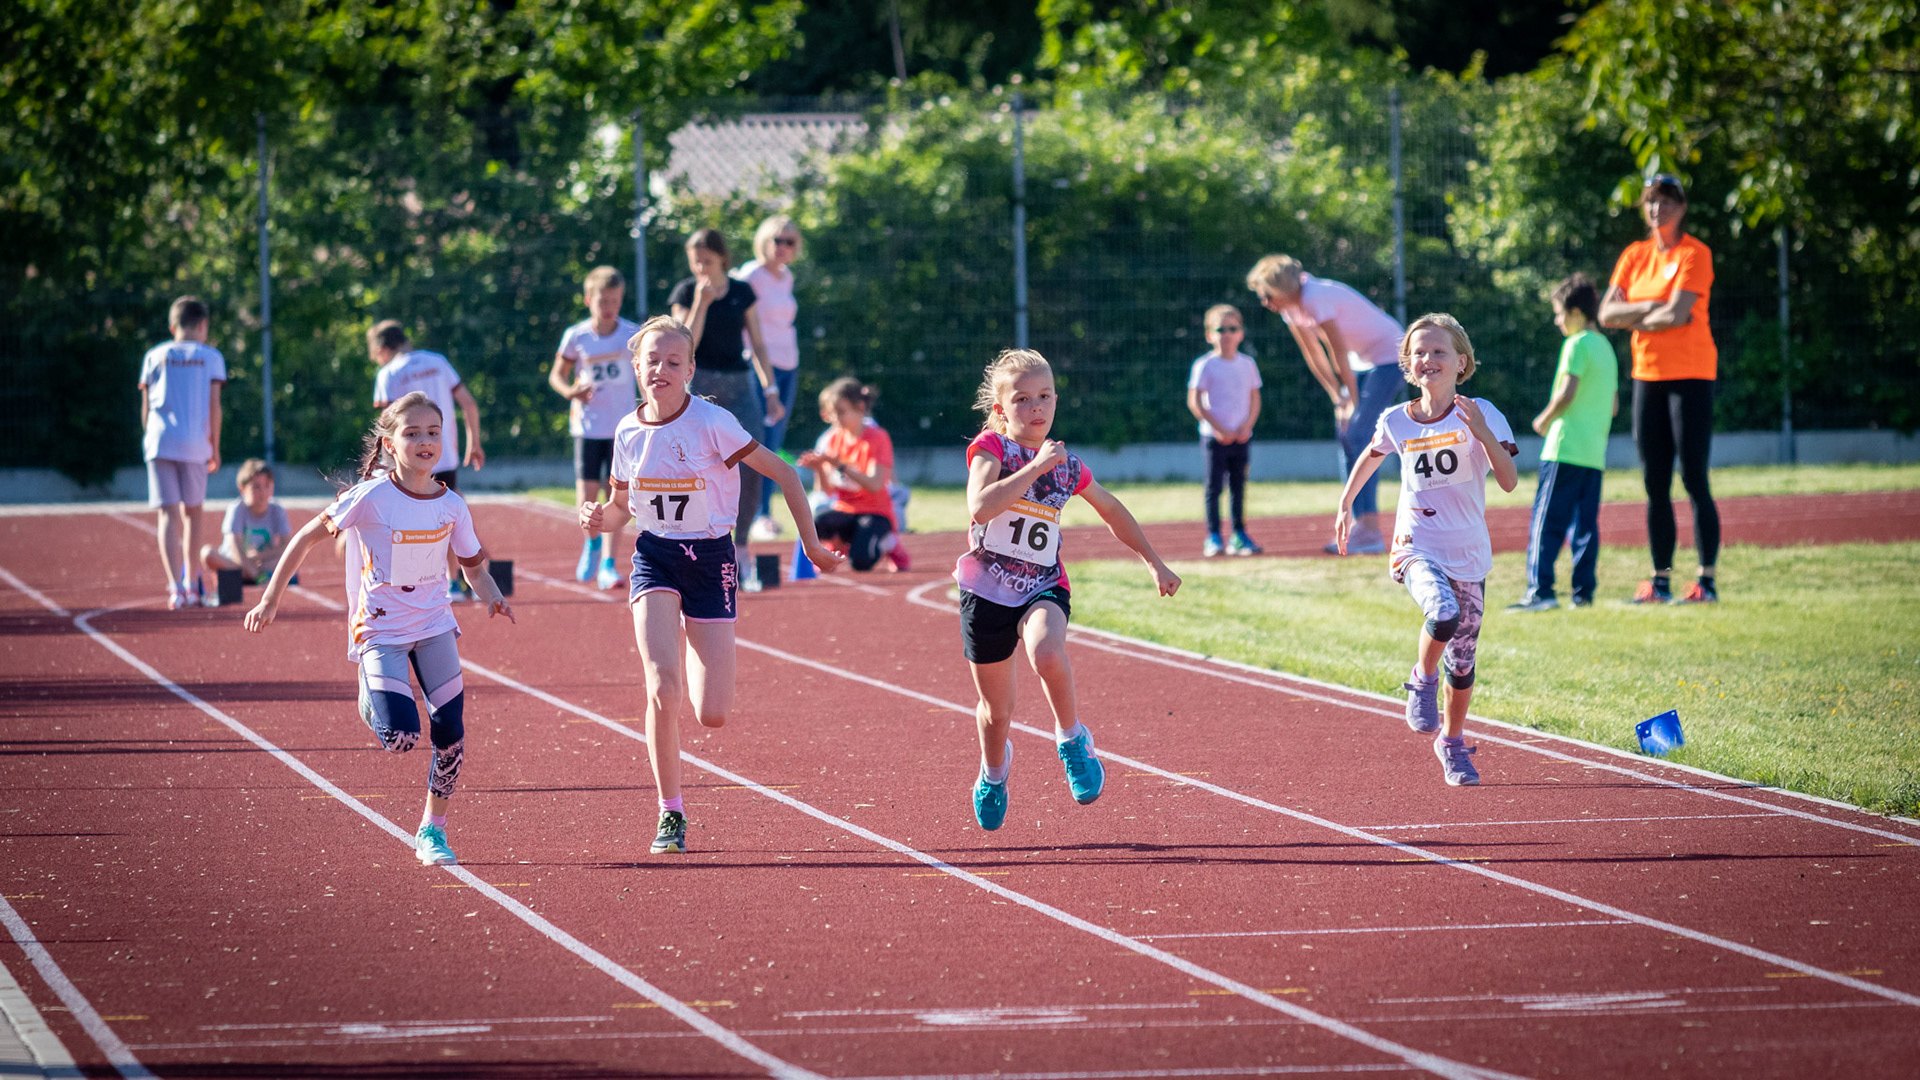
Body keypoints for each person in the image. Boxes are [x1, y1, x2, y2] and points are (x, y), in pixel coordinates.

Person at [579, 317, 842, 855]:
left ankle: (698, 699)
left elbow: (787, 474)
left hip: (712, 559)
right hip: (655, 557)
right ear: (636, 368)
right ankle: (670, 811)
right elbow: (622, 510)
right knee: (661, 687)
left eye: (673, 362)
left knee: (712, 713)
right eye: (652, 361)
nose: (661, 369)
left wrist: (813, 547)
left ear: (691, 370)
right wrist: (598, 518)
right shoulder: (627, 432)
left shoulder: (713, 423)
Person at [244, 392, 515, 867]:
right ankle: (371, 696)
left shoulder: (452, 505)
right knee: (401, 738)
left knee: (451, 732)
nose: (425, 441)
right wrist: (270, 599)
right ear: (390, 444)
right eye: (412, 433)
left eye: (433, 432)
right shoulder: (370, 496)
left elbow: (473, 565)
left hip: (434, 625)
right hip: (381, 631)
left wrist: (490, 593)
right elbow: (305, 537)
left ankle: (433, 829)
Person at [958, 349, 1181, 831]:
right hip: (986, 591)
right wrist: (1036, 468)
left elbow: (1111, 509)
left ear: (1056, 401)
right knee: (997, 712)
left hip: (1042, 584)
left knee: (1046, 652)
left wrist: (1153, 561)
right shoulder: (992, 449)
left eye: (1044, 396)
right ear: (1000, 409)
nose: (1035, 406)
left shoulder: (1067, 465)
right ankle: (994, 773)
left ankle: (1072, 739)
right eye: (1021, 399)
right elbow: (981, 507)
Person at [1335, 314, 1519, 787]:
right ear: (1407, 365)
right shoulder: (1396, 420)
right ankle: (1422, 677)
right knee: (1442, 611)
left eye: (1439, 351)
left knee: (1464, 659)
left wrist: (1481, 431)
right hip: (1416, 544)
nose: (1428, 359)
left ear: (1461, 362)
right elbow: (1371, 454)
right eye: (1418, 352)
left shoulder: (1482, 412)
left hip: (1469, 551)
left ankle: (1452, 743)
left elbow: (1509, 480)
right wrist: (1346, 503)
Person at [1598, 174, 1721, 604]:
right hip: (1647, 375)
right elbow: (1606, 314)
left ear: (1681, 208)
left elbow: (1679, 314)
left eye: (1666, 201)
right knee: (1654, 480)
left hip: (1691, 376)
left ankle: (1706, 582)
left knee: (1694, 476)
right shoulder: (1635, 255)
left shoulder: (1695, 253)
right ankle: (1661, 581)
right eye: (1651, 201)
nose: (1657, 209)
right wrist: (1654, 307)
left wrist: (1637, 315)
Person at [1246, 255, 1404, 555]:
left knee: (1359, 433)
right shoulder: (1290, 308)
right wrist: (1337, 397)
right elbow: (1313, 353)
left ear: (1282, 288)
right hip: (1363, 361)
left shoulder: (1316, 297)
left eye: (1267, 295)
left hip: (1389, 355)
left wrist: (1353, 401)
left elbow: (1336, 350)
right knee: (1347, 433)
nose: (1265, 302)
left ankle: (1369, 530)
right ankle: (1360, 525)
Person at [667, 229, 786, 588]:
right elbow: (683, 344)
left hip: (739, 385)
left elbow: (759, 344)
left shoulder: (741, 292)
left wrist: (771, 390)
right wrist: (701, 303)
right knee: (698, 467)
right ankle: (700, 548)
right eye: (695, 262)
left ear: (722, 258)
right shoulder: (686, 292)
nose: (701, 267)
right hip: (700, 384)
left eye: (707, 260)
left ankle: (742, 546)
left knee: (751, 462)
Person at [1509, 274, 1618, 611]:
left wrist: (1543, 419)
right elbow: (1613, 406)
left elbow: (1567, 392)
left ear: (1575, 312)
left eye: (1559, 313)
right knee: (1585, 526)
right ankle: (1583, 595)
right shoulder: (1606, 349)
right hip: (1593, 454)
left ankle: (1540, 592)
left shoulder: (1576, 344)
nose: (1557, 321)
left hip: (1564, 449)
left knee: (1547, 521)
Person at [369, 321, 487, 600]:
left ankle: (417, 582)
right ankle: (458, 580)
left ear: (382, 350)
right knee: (448, 516)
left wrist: (381, 462)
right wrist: (475, 442)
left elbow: (386, 424)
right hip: (443, 455)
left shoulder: (389, 373)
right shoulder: (438, 361)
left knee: (407, 518)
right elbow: (469, 403)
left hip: (409, 461)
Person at [550, 267, 641, 590]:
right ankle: (591, 545)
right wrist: (570, 391)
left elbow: (644, 371)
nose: (609, 308)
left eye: (615, 301)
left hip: (621, 430)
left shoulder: (631, 335)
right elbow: (557, 375)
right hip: (588, 427)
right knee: (587, 497)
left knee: (616, 498)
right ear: (589, 300)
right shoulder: (577, 336)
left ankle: (608, 564)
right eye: (603, 301)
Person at [139, 296, 226, 609]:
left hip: (159, 441)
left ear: (172, 326)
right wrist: (215, 447)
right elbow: (214, 406)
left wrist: (149, 438)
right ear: (202, 324)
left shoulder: (154, 355)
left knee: (167, 514)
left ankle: (175, 588)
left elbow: (146, 408)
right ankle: (192, 585)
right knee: (193, 513)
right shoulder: (211, 357)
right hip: (195, 443)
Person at [738, 216, 804, 542]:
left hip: (789, 364)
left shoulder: (786, 277)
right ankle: (755, 514)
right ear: (764, 240)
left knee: (774, 442)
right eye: (777, 239)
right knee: (758, 443)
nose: (783, 247)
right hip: (759, 366)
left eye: (789, 242)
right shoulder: (750, 275)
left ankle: (764, 513)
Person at [1186, 303, 1264, 557]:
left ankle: (1239, 535)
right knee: (1214, 487)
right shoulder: (1205, 365)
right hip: (1214, 438)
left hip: (1241, 437)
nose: (1227, 335)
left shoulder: (1247, 364)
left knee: (1239, 486)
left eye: (1233, 329)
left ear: (1241, 333)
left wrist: (1247, 426)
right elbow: (1195, 401)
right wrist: (1218, 428)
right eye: (1221, 329)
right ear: (1210, 335)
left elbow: (1255, 398)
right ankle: (1213, 536)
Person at [798, 377, 897, 571]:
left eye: (841, 412)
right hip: (844, 510)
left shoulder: (877, 438)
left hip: (875, 512)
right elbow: (827, 491)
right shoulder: (833, 439)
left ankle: (890, 544)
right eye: (833, 414)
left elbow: (875, 485)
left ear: (860, 407)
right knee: (813, 526)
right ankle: (840, 542)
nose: (836, 419)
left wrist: (843, 467)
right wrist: (819, 468)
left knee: (861, 562)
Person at [200, 458, 292, 586]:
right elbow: (235, 548)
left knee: (290, 558)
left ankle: (239, 576)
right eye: (256, 487)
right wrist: (255, 575)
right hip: (236, 561)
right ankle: (256, 577)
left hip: (261, 562)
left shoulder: (277, 509)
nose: (262, 491)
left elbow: (287, 546)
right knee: (207, 553)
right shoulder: (236, 509)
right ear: (242, 489)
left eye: (267, 485)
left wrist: (260, 556)